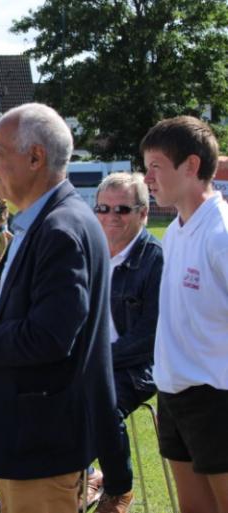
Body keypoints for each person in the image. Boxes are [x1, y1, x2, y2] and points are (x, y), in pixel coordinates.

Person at [0, 103, 114, 512]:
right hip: (30, 440)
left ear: (35, 157)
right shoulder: (44, 221)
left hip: (42, 443)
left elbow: (47, 338)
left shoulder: (60, 229)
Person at [140, 116, 228, 513]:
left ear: (191, 166)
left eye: (155, 167)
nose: (147, 178)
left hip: (216, 395)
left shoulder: (221, 232)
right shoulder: (175, 230)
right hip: (175, 394)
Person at [84, 172, 162, 512]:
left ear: (143, 213)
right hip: (92, 361)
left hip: (140, 365)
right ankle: (82, 473)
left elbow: (149, 337)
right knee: (44, 390)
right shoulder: (88, 252)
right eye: (103, 208)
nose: (111, 216)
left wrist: (95, 360)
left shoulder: (154, 259)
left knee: (101, 400)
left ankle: (118, 490)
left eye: (122, 209)